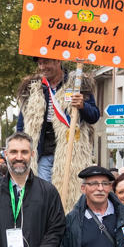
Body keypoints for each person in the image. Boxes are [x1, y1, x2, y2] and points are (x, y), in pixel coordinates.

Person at [0, 132, 65, 247]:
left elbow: (56, 231)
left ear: (32, 154)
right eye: (14, 152)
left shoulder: (48, 191)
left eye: (24, 152)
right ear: (6, 154)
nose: (19, 157)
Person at [15, 57, 99, 191]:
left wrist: (83, 106)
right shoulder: (33, 87)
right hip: (42, 153)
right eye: (40, 63)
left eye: (46, 62)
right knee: (43, 192)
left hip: (71, 152)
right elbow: (22, 124)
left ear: (58, 61)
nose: (42, 67)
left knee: (69, 193)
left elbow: (94, 116)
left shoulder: (78, 85)